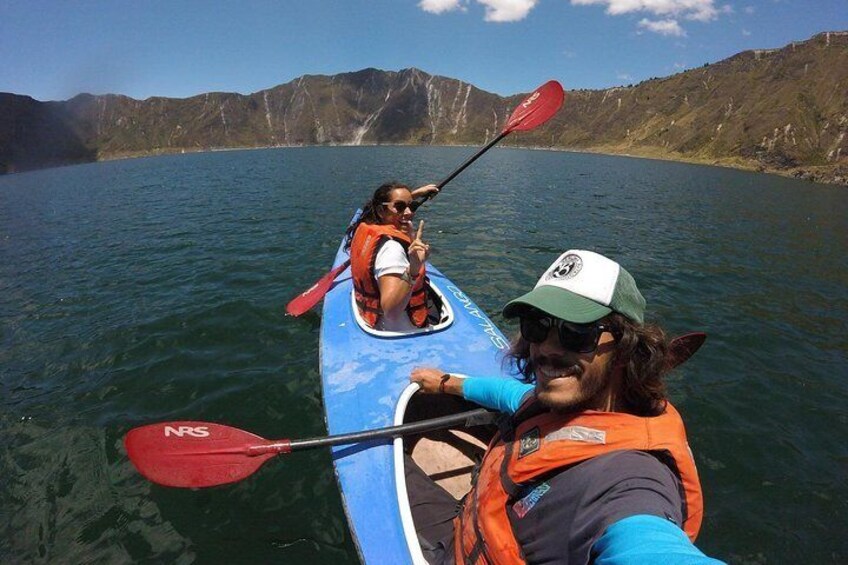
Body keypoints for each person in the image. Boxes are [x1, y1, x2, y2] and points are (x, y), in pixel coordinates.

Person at [409, 249, 724, 564]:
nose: (547, 348)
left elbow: (647, 545)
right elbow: (512, 394)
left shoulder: (631, 482)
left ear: (627, 349)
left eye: (576, 333)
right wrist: (447, 383)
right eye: (537, 326)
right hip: (466, 526)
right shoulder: (564, 407)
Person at [345, 181, 440, 332]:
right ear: (381, 211)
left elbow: (381, 205)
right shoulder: (392, 250)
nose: (409, 212)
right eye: (400, 207)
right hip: (403, 330)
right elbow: (391, 312)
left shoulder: (366, 225)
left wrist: (417, 193)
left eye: (411, 205)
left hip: (371, 319)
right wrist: (413, 270)